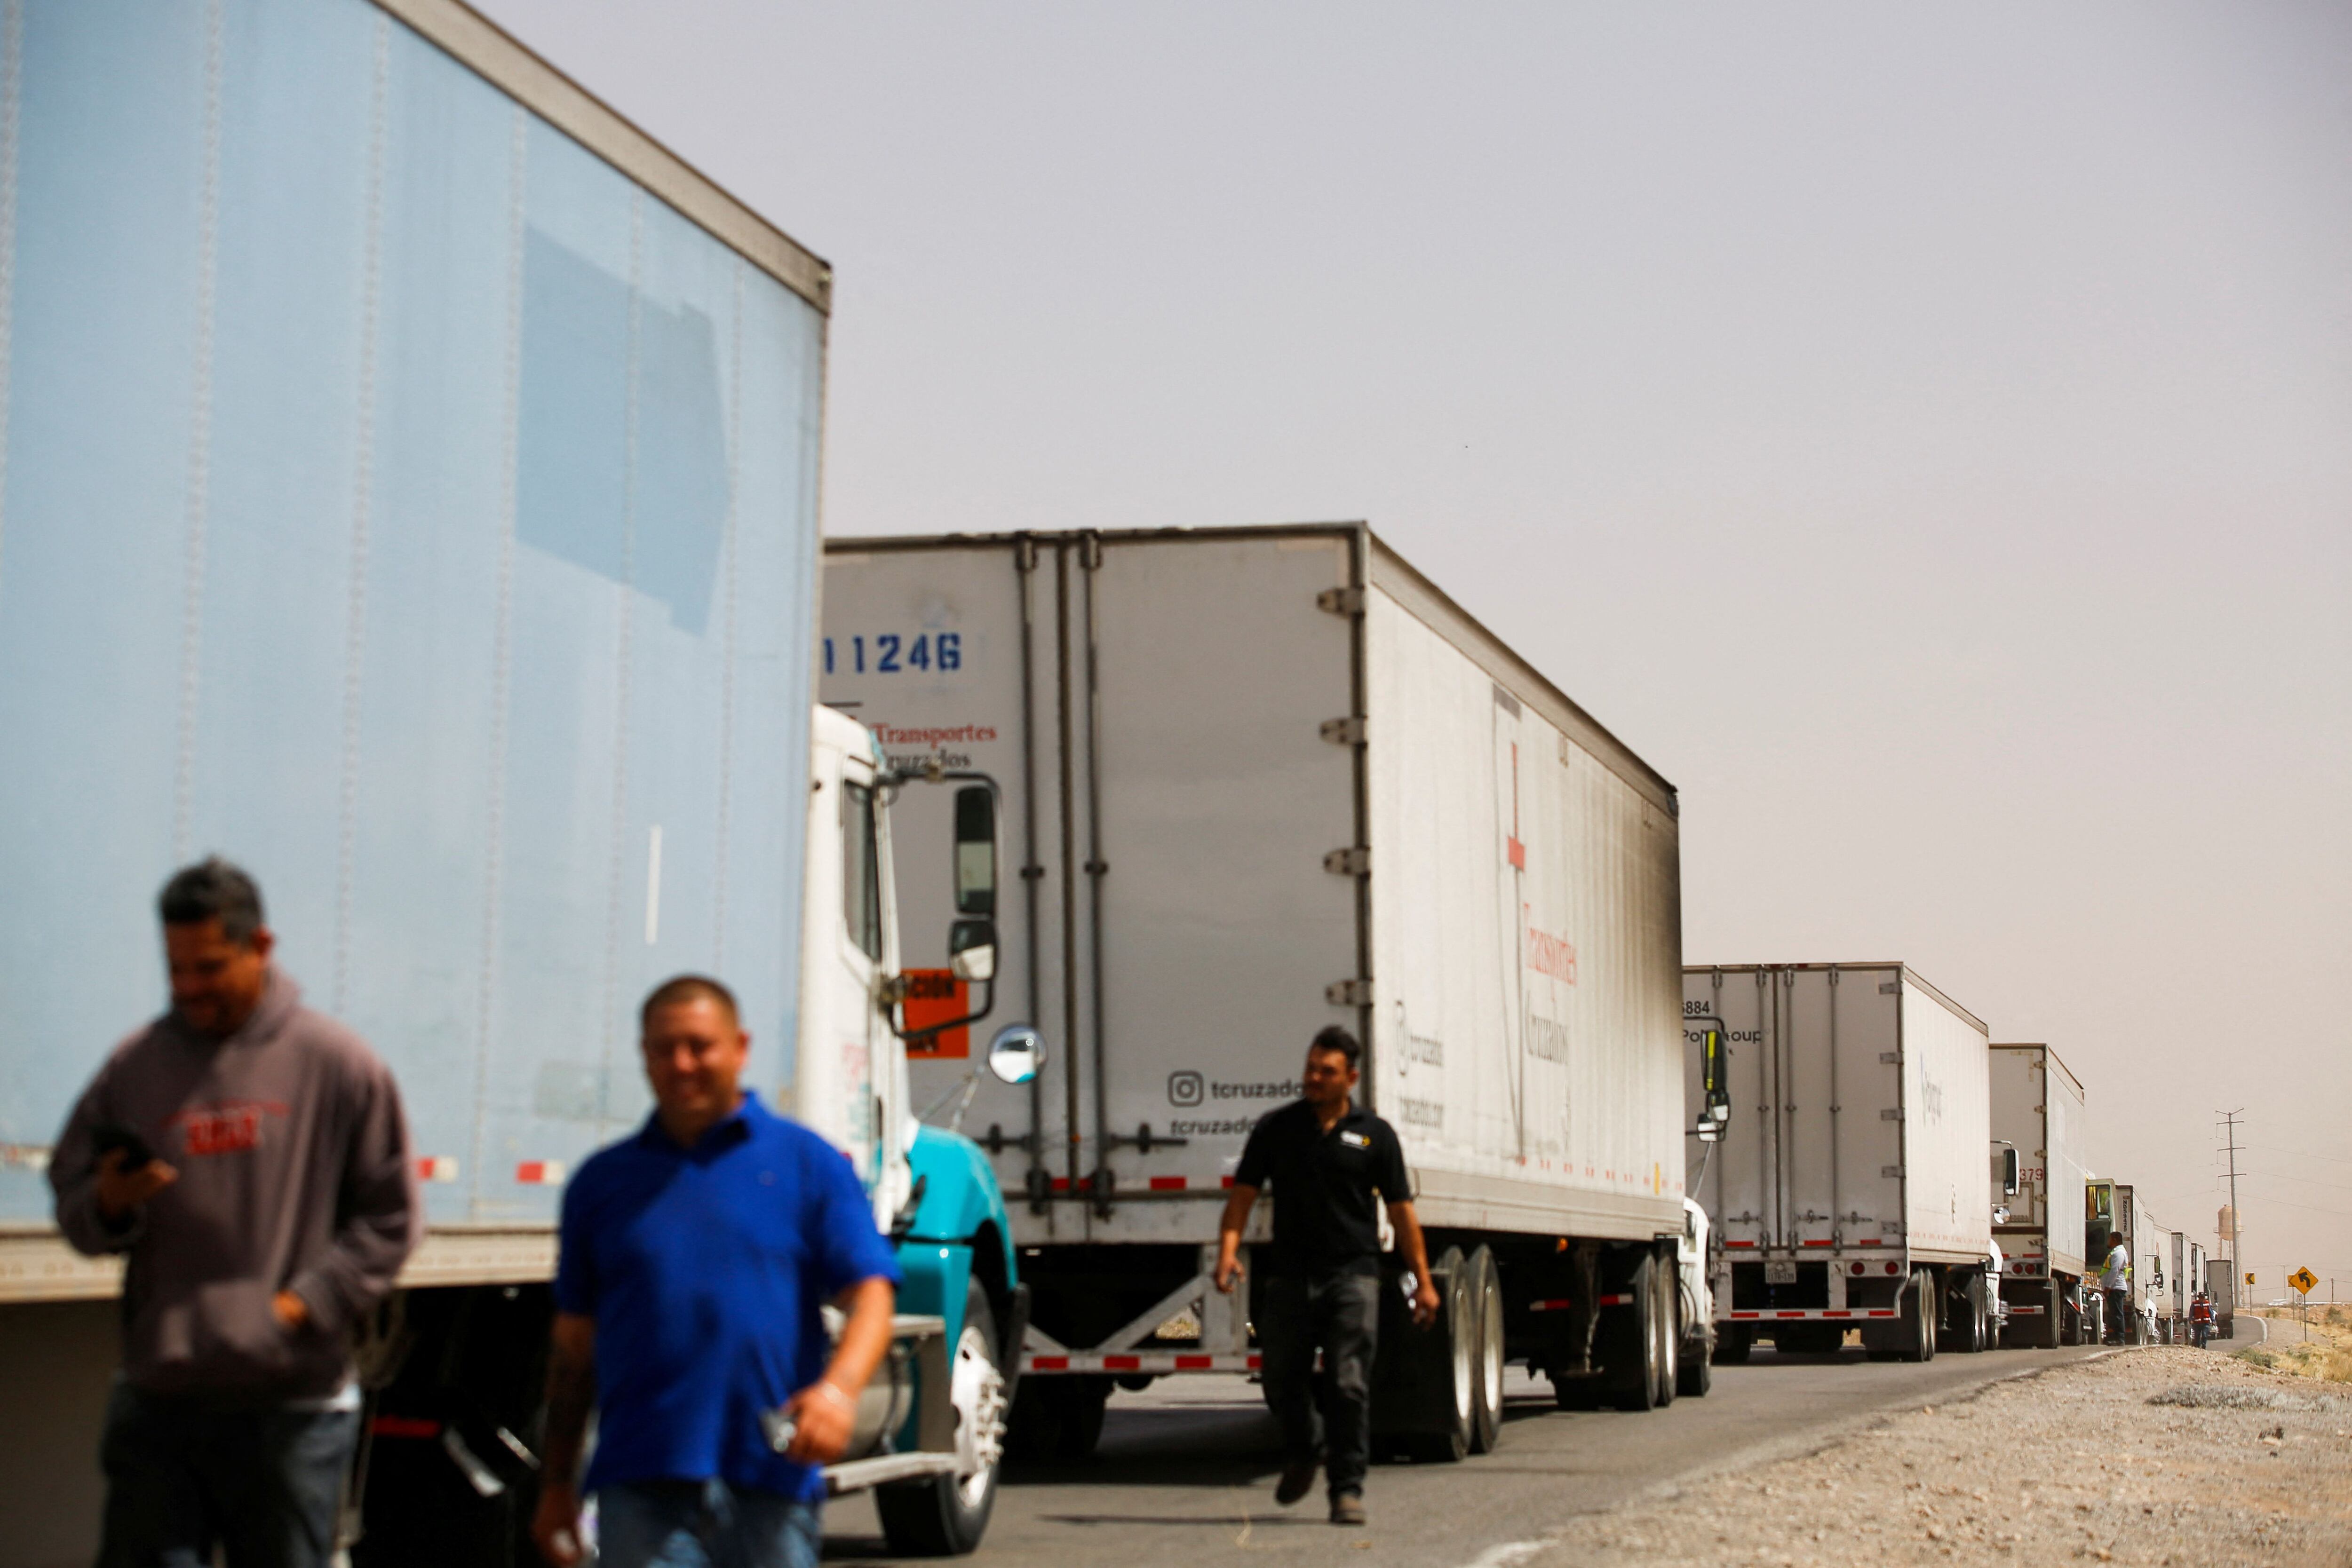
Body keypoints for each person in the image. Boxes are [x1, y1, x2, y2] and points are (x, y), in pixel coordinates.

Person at [49, 857, 421, 1568]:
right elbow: (74, 1198)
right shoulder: (137, 1067)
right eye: (176, 968)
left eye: (209, 967)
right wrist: (107, 1204)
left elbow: (392, 1218)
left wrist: (295, 1306)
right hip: (161, 1399)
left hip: (292, 1411)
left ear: (261, 947)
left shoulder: (338, 1064)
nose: (189, 988)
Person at [533, 975, 902, 1568]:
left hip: (769, 1482)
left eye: (700, 1045)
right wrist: (555, 1489)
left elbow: (871, 1294)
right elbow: (574, 1349)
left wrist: (839, 1392)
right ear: (644, 1056)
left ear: (740, 1048)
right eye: (663, 1048)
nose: (682, 1064)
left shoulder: (804, 1164)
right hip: (641, 1484)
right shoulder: (602, 1184)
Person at [1213, 1026, 1438, 1528]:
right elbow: (1243, 1197)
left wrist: (1422, 1280)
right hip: (1290, 1276)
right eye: (1310, 1068)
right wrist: (1229, 1253)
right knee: (1281, 1378)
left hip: (1353, 1275)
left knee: (1347, 1381)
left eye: (1326, 1071)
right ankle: (1305, 1448)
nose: (1313, 1078)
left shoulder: (1373, 1135)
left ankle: (1346, 1488)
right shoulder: (1277, 1128)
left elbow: (1401, 1213)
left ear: (1350, 1077)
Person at [2099, 1234, 2132, 1345]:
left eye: (2109, 1239)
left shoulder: (2119, 1253)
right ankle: (2113, 1337)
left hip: (2116, 1287)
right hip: (2114, 1287)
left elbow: (2115, 1271)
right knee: (2113, 1314)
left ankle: (2120, 1338)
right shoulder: (2116, 1252)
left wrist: (2108, 1287)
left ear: (2114, 1240)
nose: (2108, 1241)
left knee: (2118, 1314)